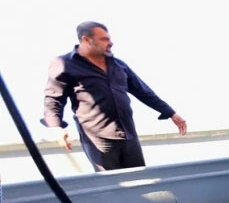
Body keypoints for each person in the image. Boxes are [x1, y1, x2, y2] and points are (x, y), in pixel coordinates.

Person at [42, 21, 187, 172]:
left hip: (128, 134)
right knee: (112, 184)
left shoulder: (118, 65)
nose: (110, 43)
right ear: (86, 40)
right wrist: (56, 127)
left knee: (140, 180)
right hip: (99, 138)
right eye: (104, 39)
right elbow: (53, 98)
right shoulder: (64, 64)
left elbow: (143, 91)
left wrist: (171, 113)